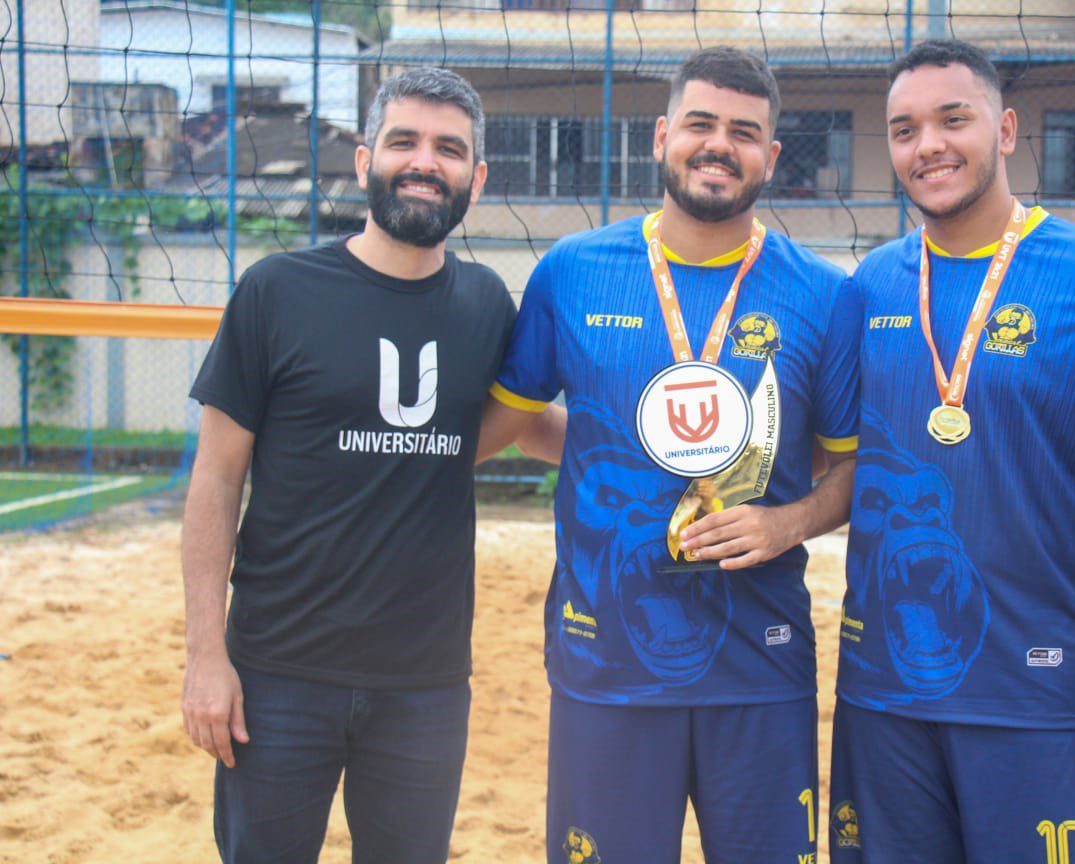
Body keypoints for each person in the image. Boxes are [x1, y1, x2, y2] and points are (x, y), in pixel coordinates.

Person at [479, 46, 860, 863]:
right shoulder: (573, 271)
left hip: (759, 662)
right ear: (661, 137)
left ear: (771, 156)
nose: (719, 144)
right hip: (605, 659)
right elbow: (508, 423)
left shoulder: (825, 295)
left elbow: (854, 469)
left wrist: (788, 522)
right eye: (700, 124)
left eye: (744, 132)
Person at [827, 40, 1075, 863]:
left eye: (952, 120)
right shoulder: (870, 285)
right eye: (904, 129)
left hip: (1043, 691)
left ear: (1005, 130)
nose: (928, 145)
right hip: (885, 695)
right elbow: (845, 465)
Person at [180, 68, 556, 864]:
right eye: (404, 141)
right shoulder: (277, 291)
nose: (425, 161)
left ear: (477, 178)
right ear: (364, 161)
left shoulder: (486, 304)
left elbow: (522, 426)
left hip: (425, 685)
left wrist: (657, 446)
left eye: (449, 148)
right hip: (277, 672)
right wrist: (205, 656)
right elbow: (215, 478)